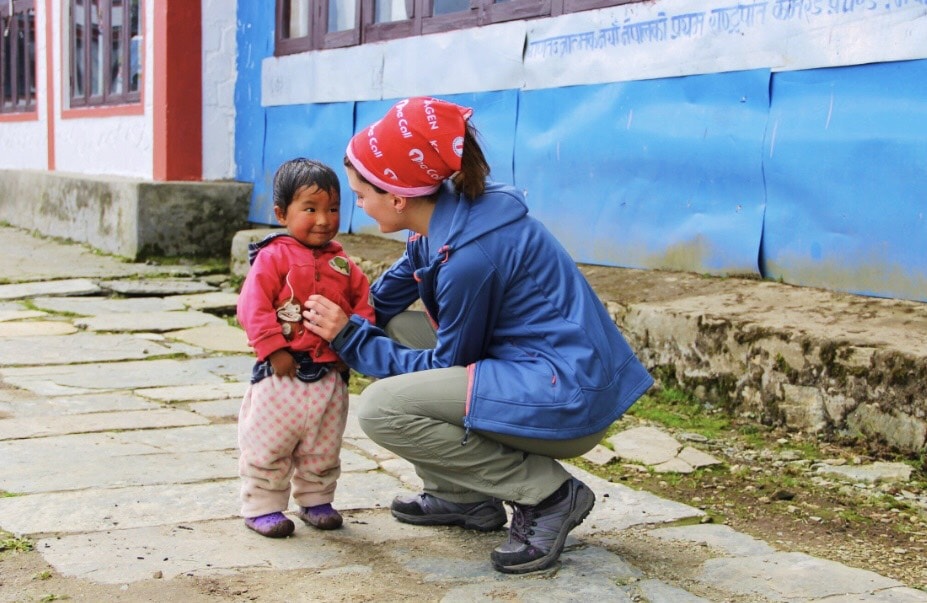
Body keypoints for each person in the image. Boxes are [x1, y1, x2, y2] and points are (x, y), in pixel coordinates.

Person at [302, 97, 653, 573]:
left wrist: (351, 340)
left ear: (398, 197)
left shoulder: (471, 255)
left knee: (385, 408)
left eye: (361, 196)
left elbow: (445, 364)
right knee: (391, 327)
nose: (358, 207)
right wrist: (341, 317)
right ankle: (463, 496)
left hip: (567, 393)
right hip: (533, 369)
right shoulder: (446, 218)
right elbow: (388, 295)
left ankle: (548, 495)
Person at [236, 158, 375, 538]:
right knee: (269, 444)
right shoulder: (273, 257)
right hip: (281, 374)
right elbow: (253, 306)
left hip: (329, 376)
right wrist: (273, 349)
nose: (323, 219)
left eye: (332, 209)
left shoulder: (344, 264)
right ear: (282, 213)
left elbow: (364, 305)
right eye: (310, 209)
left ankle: (316, 501)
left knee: (323, 447)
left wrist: (352, 347)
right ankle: (262, 506)